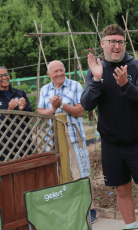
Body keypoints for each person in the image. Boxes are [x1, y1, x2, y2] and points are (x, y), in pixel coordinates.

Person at [81, 24, 138, 230]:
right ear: (103, 44)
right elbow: (86, 105)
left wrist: (125, 85)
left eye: (120, 41)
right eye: (112, 42)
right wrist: (95, 79)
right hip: (111, 144)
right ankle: (131, 227)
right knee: (121, 189)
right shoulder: (95, 71)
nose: (117, 46)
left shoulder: (137, 67)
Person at [36, 60, 97, 223]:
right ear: (49, 74)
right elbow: (41, 111)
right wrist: (53, 109)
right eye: (55, 71)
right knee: (59, 174)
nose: (59, 73)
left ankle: (89, 209)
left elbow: (80, 111)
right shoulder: (45, 89)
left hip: (73, 138)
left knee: (81, 174)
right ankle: (68, 209)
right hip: (53, 140)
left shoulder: (75, 85)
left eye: (61, 70)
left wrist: (61, 104)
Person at [0, 66, 33, 161]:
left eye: (6, 74)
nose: (4, 77)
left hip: (24, 138)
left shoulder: (20, 93)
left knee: (30, 168)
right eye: (0, 76)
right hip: (4, 142)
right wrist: (8, 111)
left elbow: (30, 116)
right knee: (8, 171)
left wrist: (22, 110)